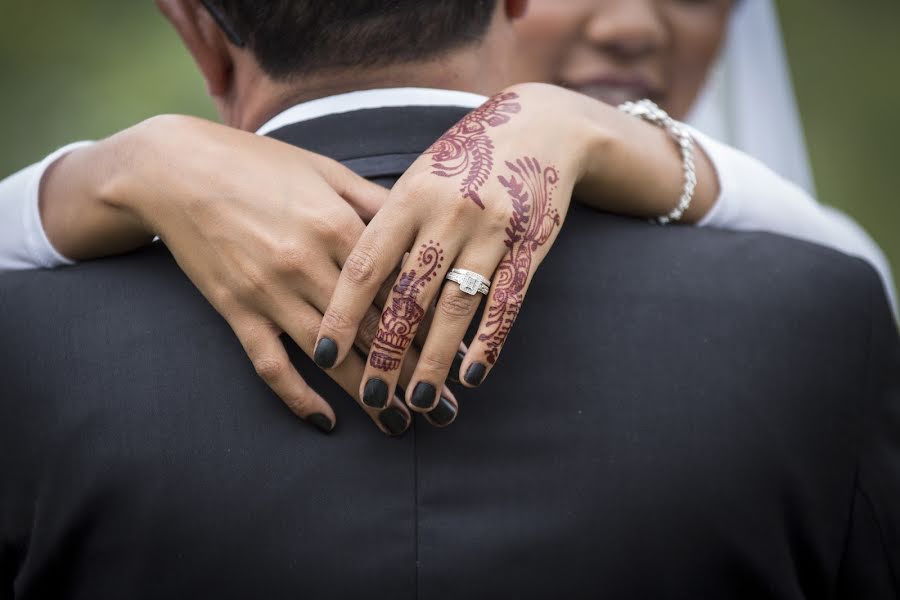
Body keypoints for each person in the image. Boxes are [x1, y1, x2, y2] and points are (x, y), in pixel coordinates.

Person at [1, 1, 898, 597]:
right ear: (512, 0)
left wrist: (91, 174)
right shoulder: (819, 318)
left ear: (193, 25)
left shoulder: (31, 346)